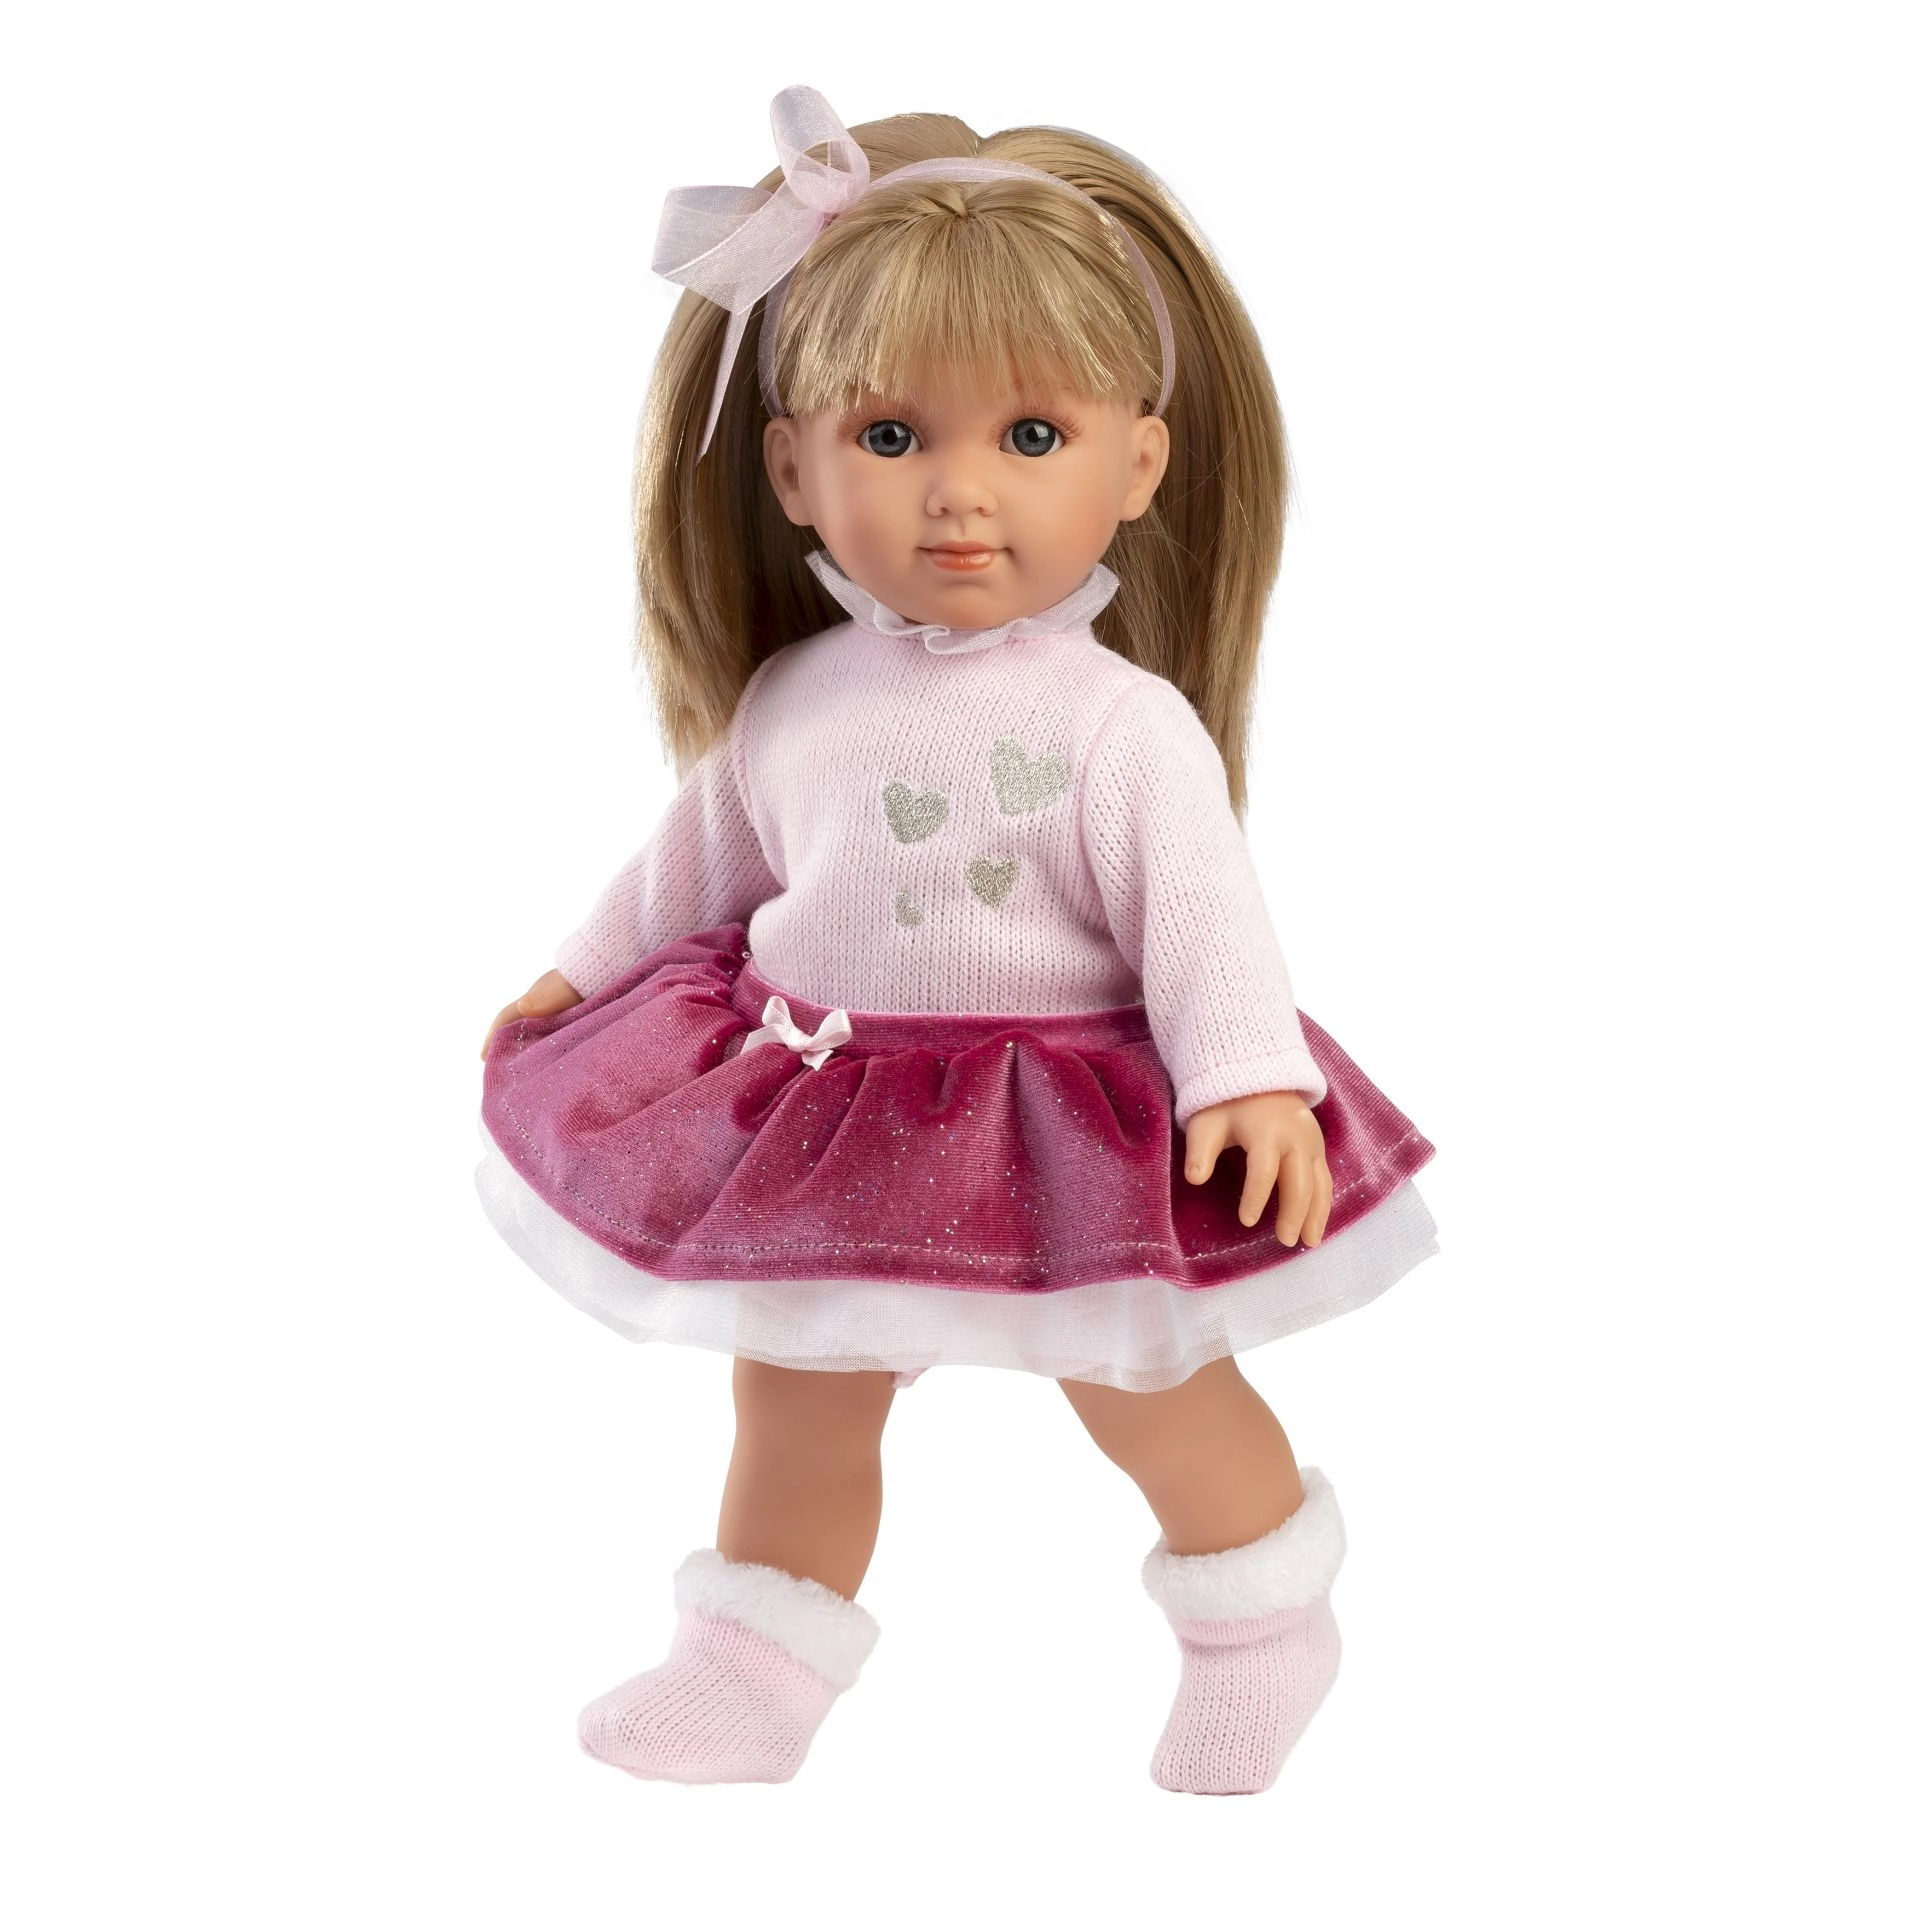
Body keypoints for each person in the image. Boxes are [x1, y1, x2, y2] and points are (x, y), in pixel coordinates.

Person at [478, 86, 1436, 1795]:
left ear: (1139, 463)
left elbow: (1206, 919)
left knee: (1145, 1389)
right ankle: (752, 1670)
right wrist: (583, 971)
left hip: (1050, 1121)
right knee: (796, 1395)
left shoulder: (1122, 728)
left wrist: (1244, 1077)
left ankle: (1262, 1621)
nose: (961, 495)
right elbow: (698, 860)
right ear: (793, 465)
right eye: (893, 436)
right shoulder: (792, 698)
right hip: (821, 1100)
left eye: (1034, 435)